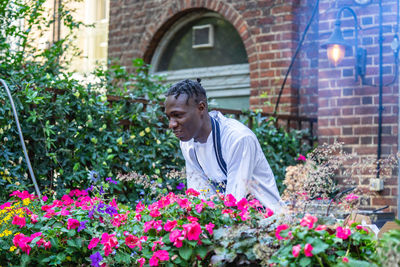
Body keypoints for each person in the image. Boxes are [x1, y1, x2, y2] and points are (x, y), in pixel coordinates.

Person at [164, 79, 283, 212]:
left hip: (268, 220)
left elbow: (235, 200)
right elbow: (200, 197)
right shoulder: (188, 143)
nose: (171, 125)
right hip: (229, 220)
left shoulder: (237, 138)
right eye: (169, 117)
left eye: (178, 115)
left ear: (201, 108)